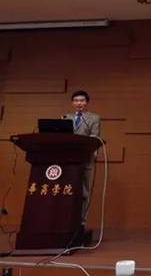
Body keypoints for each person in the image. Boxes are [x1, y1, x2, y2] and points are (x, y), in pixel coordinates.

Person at [64, 90, 101, 226]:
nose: (79, 103)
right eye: (76, 100)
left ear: (86, 102)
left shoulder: (94, 118)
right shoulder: (65, 117)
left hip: (85, 158)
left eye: (82, 100)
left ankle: (81, 222)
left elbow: (95, 138)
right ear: (72, 103)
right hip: (67, 160)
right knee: (67, 189)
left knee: (83, 191)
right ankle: (66, 219)